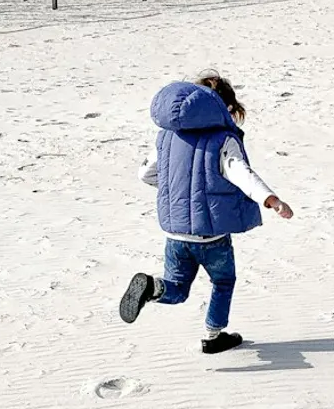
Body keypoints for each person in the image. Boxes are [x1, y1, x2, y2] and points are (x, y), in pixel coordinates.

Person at [119, 72, 293, 354]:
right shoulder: (223, 139)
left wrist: (177, 192)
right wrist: (271, 199)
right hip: (212, 236)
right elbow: (241, 173)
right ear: (223, 107)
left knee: (177, 287)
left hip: (175, 234)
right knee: (223, 281)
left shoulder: (167, 136)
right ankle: (214, 336)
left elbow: (146, 174)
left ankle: (152, 288)